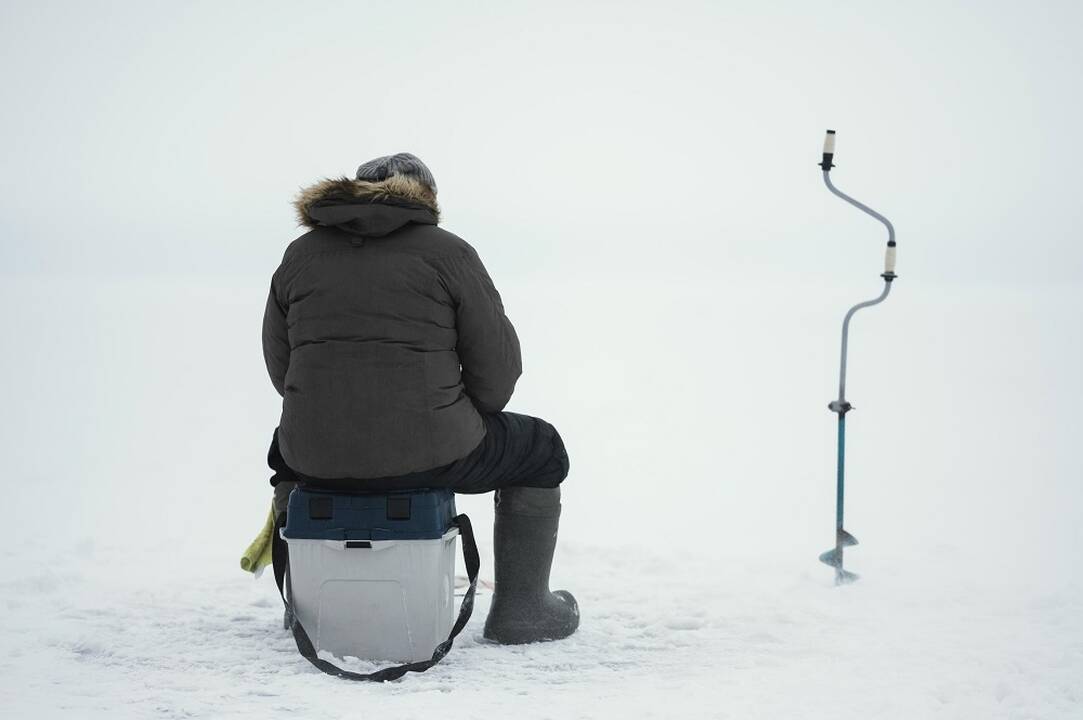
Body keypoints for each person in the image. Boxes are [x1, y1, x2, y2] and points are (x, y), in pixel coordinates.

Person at [262, 153, 578, 644]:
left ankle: (304, 606)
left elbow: (284, 374)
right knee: (541, 449)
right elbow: (496, 380)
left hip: (314, 456)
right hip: (432, 455)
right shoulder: (449, 253)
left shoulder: (299, 255)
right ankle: (524, 610)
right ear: (425, 196)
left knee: (285, 452)